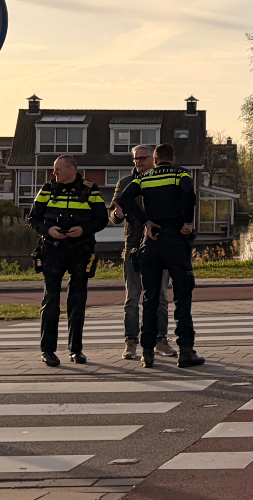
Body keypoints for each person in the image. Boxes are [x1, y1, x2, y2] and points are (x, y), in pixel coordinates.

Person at [116, 144, 203, 368]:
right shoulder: (181, 173)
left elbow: (124, 200)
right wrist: (187, 222)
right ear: (172, 159)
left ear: (154, 161)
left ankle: (147, 353)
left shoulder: (145, 178)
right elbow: (188, 193)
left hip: (151, 241)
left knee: (150, 298)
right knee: (182, 296)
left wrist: (145, 221)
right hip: (174, 240)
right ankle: (185, 351)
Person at [29, 155, 105, 366]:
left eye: (57, 170)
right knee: (51, 301)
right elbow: (32, 218)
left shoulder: (90, 190)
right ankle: (48, 351)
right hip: (52, 251)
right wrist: (48, 230)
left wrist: (83, 230)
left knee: (77, 302)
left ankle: (76, 350)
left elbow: (102, 219)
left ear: (71, 169)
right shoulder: (46, 190)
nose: (54, 174)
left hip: (79, 252)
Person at [110, 143, 168, 361]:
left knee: (160, 297)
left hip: (157, 245)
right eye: (135, 159)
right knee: (132, 298)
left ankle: (160, 340)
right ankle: (131, 341)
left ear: (153, 159)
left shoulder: (161, 180)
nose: (139, 162)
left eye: (142, 158)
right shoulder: (125, 183)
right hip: (133, 245)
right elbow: (113, 215)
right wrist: (117, 215)